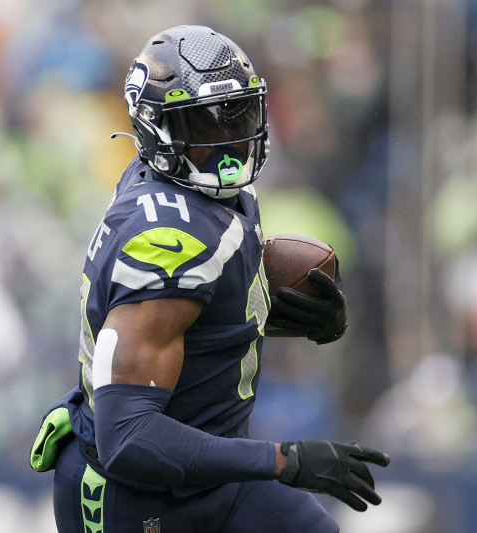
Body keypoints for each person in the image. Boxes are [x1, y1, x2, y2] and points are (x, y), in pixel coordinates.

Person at [29, 25, 389, 533]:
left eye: (238, 114)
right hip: (138, 498)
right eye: (204, 125)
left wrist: (287, 314)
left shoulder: (193, 188)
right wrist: (282, 460)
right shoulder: (169, 239)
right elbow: (129, 436)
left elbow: (201, 316)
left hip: (213, 476)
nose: (230, 142)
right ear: (158, 130)